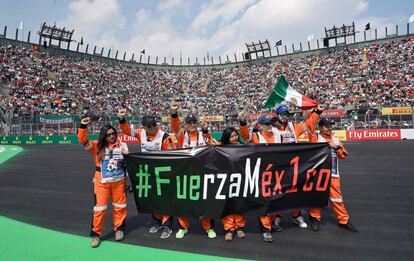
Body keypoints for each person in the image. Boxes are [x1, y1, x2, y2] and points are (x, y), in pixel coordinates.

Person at [239, 104, 324, 242]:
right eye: (265, 124)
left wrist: (317, 111)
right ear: (261, 125)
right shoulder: (257, 136)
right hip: (265, 175)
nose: (268, 126)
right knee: (267, 200)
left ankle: (292, 217)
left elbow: (306, 125)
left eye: (287, 114)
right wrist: (243, 123)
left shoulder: (283, 132)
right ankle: (267, 228)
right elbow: (245, 136)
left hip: (284, 170)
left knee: (290, 194)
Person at [118, 108, 177, 239]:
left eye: (154, 125)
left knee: (164, 199)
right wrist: (122, 119)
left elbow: (172, 156)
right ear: (144, 127)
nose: (152, 128)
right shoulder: (141, 133)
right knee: (152, 199)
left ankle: (167, 225)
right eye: (149, 126)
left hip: (162, 174)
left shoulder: (164, 137)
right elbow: (127, 130)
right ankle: (157, 221)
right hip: (147, 173)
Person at [77, 117, 129, 248]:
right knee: (99, 209)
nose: (111, 136)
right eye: (108, 134)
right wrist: (83, 126)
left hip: (119, 182)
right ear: (103, 136)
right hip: (101, 182)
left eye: (113, 133)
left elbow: (128, 162)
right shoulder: (96, 146)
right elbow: (82, 140)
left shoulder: (122, 145)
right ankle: (95, 234)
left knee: (120, 207)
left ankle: (119, 229)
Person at [169, 102, 217, 239]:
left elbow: (214, 143)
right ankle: (183, 227)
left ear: (197, 123)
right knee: (183, 201)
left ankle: (208, 227)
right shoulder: (181, 135)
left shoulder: (204, 135)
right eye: (189, 122)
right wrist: (174, 114)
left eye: (194, 122)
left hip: (202, 174)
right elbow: (175, 126)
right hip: (185, 174)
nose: (191, 124)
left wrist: (212, 143)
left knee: (205, 201)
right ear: (185, 124)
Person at [308, 119, 358, 232]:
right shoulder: (315, 137)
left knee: (337, 199)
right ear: (320, 127)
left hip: (333, 174)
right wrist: (316, 112)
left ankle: (344, 221)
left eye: (330, 126)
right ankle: (315, 219)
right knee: (316, 197)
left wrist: (335, 147)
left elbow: (343, 155)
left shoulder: (335, 138)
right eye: (326, 126)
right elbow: (309, 126)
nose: (329, 128)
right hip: (318, 174)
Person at [220, 127, 247, 241]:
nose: (234, 138)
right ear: (227, 139)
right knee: (228, 204)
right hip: (227, 180)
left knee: (239, 203)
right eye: (231, 137)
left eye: (235, 135)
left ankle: (240, 227)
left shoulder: (244, 147)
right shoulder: (221, 149)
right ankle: (229, 229)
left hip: (241, 179)